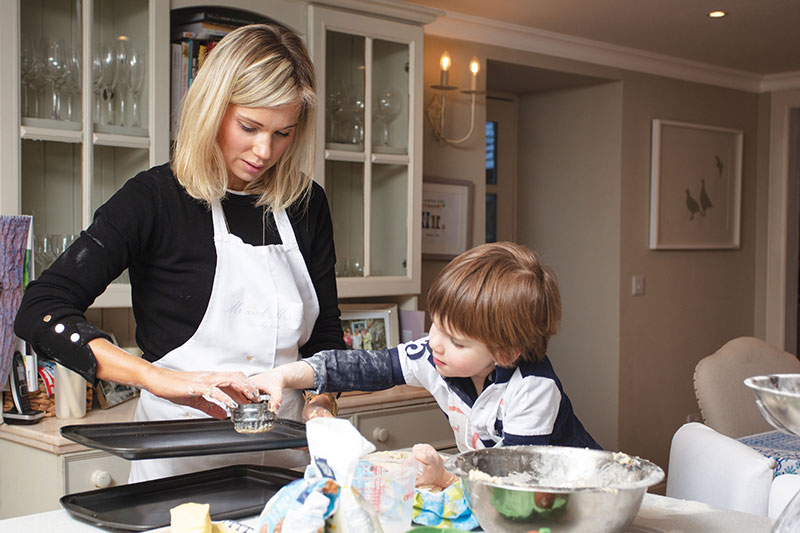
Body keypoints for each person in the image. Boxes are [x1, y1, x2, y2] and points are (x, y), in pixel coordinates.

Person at [14, 23, 344, 482]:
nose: (264, 150)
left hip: (289, 463)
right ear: (213, 109)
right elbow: (41, 310)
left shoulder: (306, 205)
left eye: (283, 133)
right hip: (178, 463)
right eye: (248, 126)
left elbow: (324, 336)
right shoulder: (154, 199)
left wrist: (321, 405)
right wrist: (158, 379)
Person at [254, 241, 600, 486]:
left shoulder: (532, 389)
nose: (434, 341)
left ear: (505, 353)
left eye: (457, 341)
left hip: (576, 497)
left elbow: (509, 484)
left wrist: (446, 476)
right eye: (436, 324)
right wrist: (284, 375)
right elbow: (364, 366)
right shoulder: (437, 354)